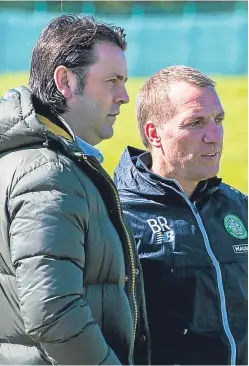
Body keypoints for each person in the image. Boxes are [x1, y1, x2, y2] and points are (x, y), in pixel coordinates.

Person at [0, 15, 150, 365]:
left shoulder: (36, 163)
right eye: (112, 81)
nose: (124, 96)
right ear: (65, 81)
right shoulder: (49, 174)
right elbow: (53, 311)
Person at [114, 65, 248, 365]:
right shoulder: (116, 213)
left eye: (218, 120)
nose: (214, 136)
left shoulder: (238, 207)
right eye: (196, 122)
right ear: (154, 134)